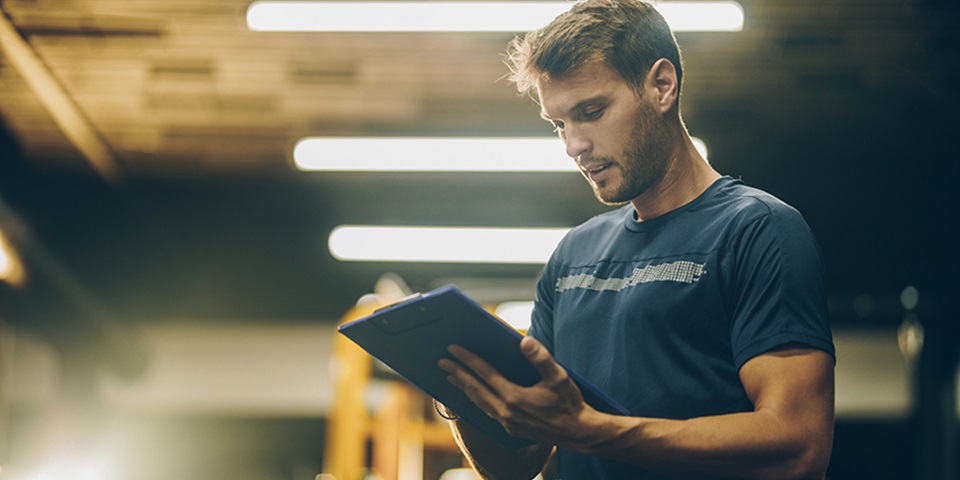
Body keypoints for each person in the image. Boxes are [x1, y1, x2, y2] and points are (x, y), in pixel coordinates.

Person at [435, 0, 836, 479]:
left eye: (591, 111)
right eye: (559, 123)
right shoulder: (572, 257)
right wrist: (461, 394)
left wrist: (596, 431)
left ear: (661, 86)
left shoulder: (758, 230)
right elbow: (518, 464)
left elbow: (799, 448)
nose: (573, 145)